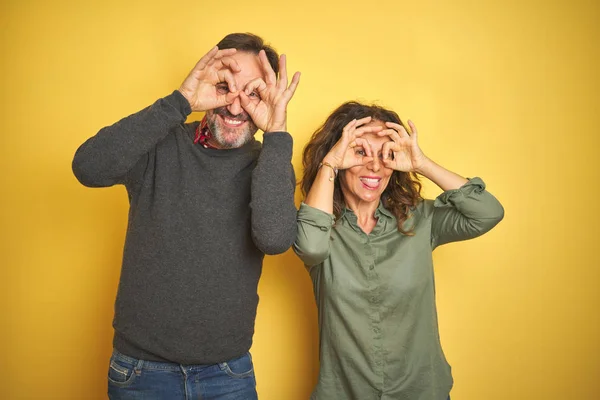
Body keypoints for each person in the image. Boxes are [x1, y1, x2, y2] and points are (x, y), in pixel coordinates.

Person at [72, 33, 300, 399]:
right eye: (226, 86)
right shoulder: (161, 142)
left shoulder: (269, 162)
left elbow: (274, 239)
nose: (236, 106)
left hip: (228, 374)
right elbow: (88, 168)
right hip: (140, 372)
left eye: (253, 93)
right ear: (208, 81)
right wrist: (179, 102)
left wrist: (277, 133)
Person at [294, 101, 504, 400]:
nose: (375, 165)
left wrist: (422, 164)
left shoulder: (421, 219)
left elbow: (487, 213)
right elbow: (311, 249)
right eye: (359, 151)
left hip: (422, 391)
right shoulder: (320, 226)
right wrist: (329, 166)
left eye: (387, 154)